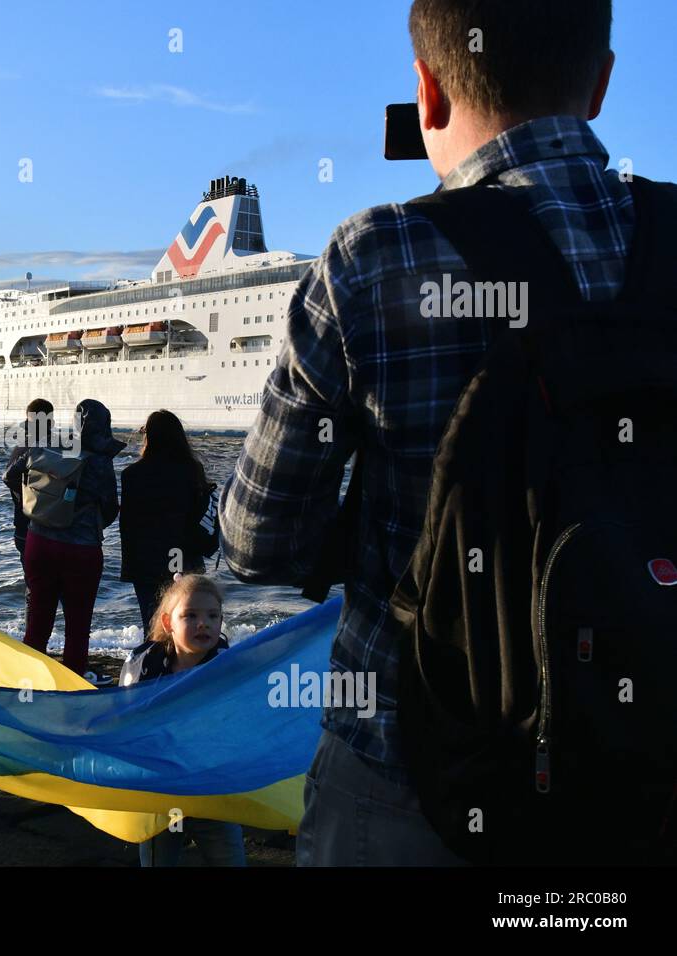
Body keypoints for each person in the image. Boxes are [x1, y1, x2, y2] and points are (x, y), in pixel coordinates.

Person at [219, 0, 636, 865]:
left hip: (412, 770)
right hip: (645, 769)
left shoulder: (378, 256)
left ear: (426, 93)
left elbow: (256, 543)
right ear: (600, 83)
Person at [120, 574, 246, 867]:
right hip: (161, 793)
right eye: (190, 615)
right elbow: (126, 720)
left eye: (213, 616)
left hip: (212, 791)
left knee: (229, 859)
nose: (204, 623)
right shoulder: (146, 668)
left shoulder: (230, 668)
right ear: (168, 624)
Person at [7, 399, 124, 681]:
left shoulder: (51, 445)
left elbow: (11, 474)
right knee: (77, 624)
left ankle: (28, 683)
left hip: (39, 541)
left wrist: (34, 505)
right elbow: (110, 507)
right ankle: (72, 684)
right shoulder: (100, 459)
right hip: (81, 550)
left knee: (37, 621)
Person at [119, 410, 214, 635]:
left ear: (148, 436)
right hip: (184, 557)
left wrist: (130, 567)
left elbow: (128, 526)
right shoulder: (192, 470)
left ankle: (153, 666)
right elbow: (198, 516)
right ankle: (186, 667)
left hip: (146, 562)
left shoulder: (132, 474)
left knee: (152, 624)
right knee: (186, 623)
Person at [3, 398, 54, 611]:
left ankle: (33, 638)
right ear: (51, 421)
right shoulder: (60, 447)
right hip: (55, 529)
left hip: (24, 528)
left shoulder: (21, 449)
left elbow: (8, 478)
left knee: (33, 589)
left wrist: (25, 498)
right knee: (58, 592)